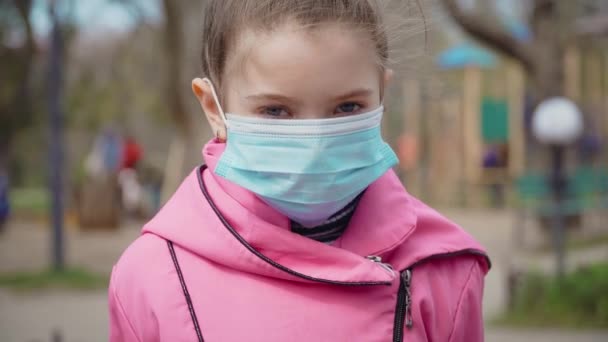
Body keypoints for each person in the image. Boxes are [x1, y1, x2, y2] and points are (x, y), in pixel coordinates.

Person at [109, 1, 490, 341]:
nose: (315, 147)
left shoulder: (445, 271)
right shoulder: (151, 276)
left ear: (381, 95)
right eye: (275, 111)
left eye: (347, 108)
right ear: (214, 108)